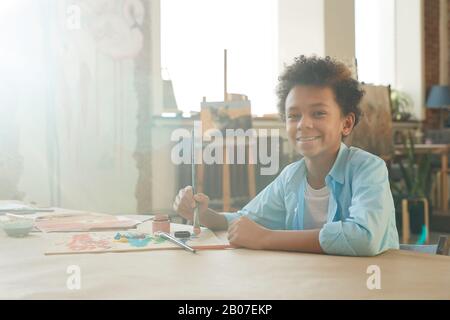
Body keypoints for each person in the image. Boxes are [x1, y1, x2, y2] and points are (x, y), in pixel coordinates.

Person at [173, 55, 399, 256]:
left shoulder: (368, 169)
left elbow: (363, 238)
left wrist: (266, 238)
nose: (304, 124)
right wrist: (204, 215)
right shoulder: (292, 177)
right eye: (293, 115)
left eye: (319, 113)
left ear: (346, 123)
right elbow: (247, 220)